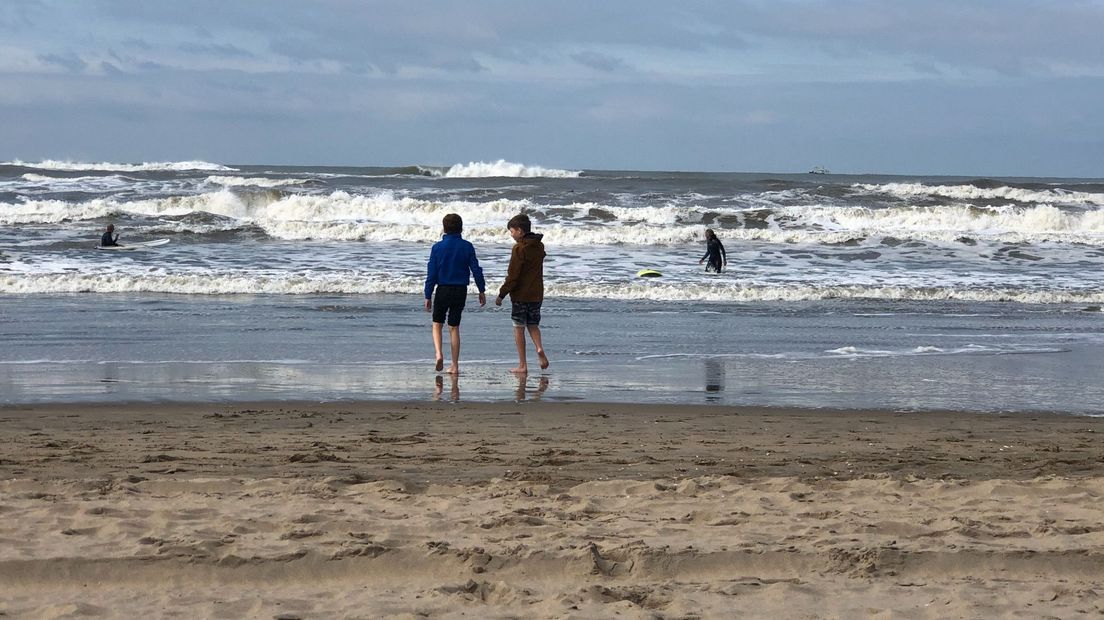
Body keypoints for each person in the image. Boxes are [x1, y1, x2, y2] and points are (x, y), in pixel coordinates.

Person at [424, 213, 486, 374]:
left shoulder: (437, 248)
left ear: (444, 228)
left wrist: (428, 294)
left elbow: (431, 273)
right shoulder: (467, 246)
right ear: (461, 228)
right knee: (454, 327)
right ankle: (455, 365)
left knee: (437, 324)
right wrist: (481, 290)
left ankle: (438, 354)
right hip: (460, 290)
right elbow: (476, 270)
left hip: (443, 289)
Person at [495, 213, 548, 374]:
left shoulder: (519, 248)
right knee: (533, 325)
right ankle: (539, 348)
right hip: (536, 293)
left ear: (519, 230)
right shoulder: (539, 246)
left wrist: (501, 294)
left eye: (511, 231)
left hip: (520, 295)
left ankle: (522, 364)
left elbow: (513, 276)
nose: (511, 235)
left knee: (518, 328)